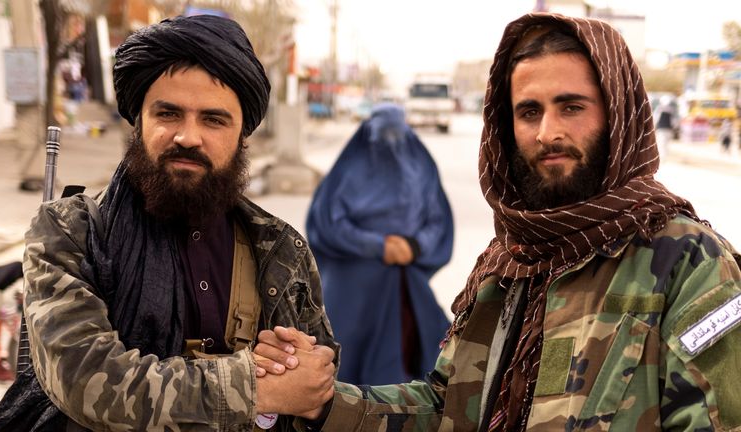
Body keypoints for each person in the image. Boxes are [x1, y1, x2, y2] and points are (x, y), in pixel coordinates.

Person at [254, 13, 741, 431]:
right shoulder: (510, 262)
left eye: (571, 107)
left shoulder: (687, 262)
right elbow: (447, 410)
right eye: (529, 112)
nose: (548, 132)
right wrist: (322, 401)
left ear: (618, 113)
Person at [0, 15, 337, 431]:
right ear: (140, 122)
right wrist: (259, 388)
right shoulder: (70, 233)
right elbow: (87, 380)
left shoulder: (280, 248)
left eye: (213, 119)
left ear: (243, 133)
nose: (188, 136)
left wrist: (301, 365)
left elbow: (314, 380)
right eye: (168, 114)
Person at [305, 103, 453, 385]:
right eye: (383, 135)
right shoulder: (349, 168)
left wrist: (414, 246)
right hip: (354, 290)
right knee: (340, 371)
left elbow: (437, 220)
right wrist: (377, 246)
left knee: (421, 369)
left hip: (405, 285)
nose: (390, 145)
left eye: (396, 135)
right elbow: (327, 223)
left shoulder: (420, 165)